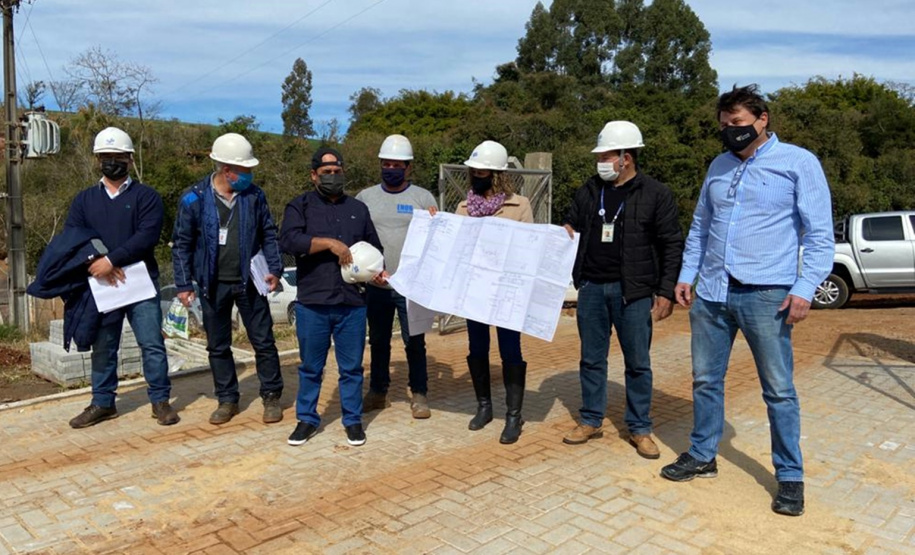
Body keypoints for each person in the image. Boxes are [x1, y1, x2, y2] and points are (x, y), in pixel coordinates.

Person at [660, 85, 834, 517]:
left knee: (778, 390)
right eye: (723, 126)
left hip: (768, 295)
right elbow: (700, 226)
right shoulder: (718, 167)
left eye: (736, 124)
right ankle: (703, 455)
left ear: (762, 119)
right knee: (704, 380)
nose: (729, 132)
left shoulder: (798, 163)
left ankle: (790, 477)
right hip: (713, 294)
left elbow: (819, 234)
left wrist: (804, 287)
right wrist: (687, 276)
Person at [561, 121, 683, 458]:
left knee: (638, 363)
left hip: (634, 292)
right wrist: (566, 230)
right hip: (591, 289)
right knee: (591, 359)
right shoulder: (589, 190)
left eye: (605, 154)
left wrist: (666, 291)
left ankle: (640, 428)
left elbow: (672, 243)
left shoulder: (656, 194)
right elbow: (571, 224)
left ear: (625, 157)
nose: (599, 160)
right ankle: (590, 419)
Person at [64, 127, 179, 428]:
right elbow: (74, 237)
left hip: (140, 284)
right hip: (102, 286)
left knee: (151, 343)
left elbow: (147, 236)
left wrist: (112, 260)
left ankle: (160, 401)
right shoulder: (84, 200)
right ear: (97, 160)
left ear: (129, 159)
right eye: (105, 157)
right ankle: (103, 403)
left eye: (117, 156)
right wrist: (97, 262)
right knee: (104, 346)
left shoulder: (147, 197)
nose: (111, 162)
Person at [172, 133, 285, 425]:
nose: (250, 175)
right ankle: (227, 399)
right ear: (226, 170)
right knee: (218, 346)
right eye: (245, 170)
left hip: (250, 282)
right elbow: (182, 244)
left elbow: (269, 234)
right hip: (213, 285)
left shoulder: (255, 197)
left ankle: (271, 396)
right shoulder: (193, 199)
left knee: (263, 341)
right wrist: (184, 285)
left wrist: (275, 267)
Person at [279, 147, 385, 447]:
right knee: (311, 367)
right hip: (313, 302)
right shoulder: (299, 206)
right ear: (314, 175)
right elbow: (287, 240)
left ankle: (353, 421)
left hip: (352, 302)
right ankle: (307, 420)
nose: (333, 177)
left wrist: (376, 270)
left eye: (337, 172)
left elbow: (375, 248)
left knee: (351, 368)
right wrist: (327, 243)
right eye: (326, 173)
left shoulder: (358, 209)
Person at [454, 140, 533, 444]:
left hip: (507, 290)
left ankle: (514, 415)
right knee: (477, 348)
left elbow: (529, 248)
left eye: (482, 170)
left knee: (510, 349)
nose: (476, 174)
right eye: (473, 170)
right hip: (475, 290)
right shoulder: (463, 207)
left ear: (497, 173)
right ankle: (484, 407)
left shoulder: (519, 205)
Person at [356, 135, 438, 419]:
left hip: (410, 285)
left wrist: (435, 219)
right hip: (377, 283)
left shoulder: (423, 198)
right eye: (386, 163)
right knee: (378, 340)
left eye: (397, 164)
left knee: (414, 341)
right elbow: (358, 240)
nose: (391, 168)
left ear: (408, 168)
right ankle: (378, 391)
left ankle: (419, 393)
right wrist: (369, 274)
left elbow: (436, 239)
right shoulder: (365, 198)